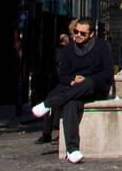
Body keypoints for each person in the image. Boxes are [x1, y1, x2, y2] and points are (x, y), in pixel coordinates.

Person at [31, 17, 113, 163]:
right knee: (70, 104)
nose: (78, 36)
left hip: (96, 87)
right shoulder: (69, 49)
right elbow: (62, 74)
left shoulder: (102, 46)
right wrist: (73, 80)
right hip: (75, 89)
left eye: (83, 33)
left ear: (91, 34)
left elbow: (107, 72)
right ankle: (72, 149)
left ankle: (50, 104)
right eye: (76, 32)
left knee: (88, 83)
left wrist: (86, 79)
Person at [35, 30, 72, 145]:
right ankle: (48, 133)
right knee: (51, 101)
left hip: (68, 81)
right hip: (63, 81)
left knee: (55, 102)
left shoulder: (66, 50)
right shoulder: (62, 51)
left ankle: (48, 133)